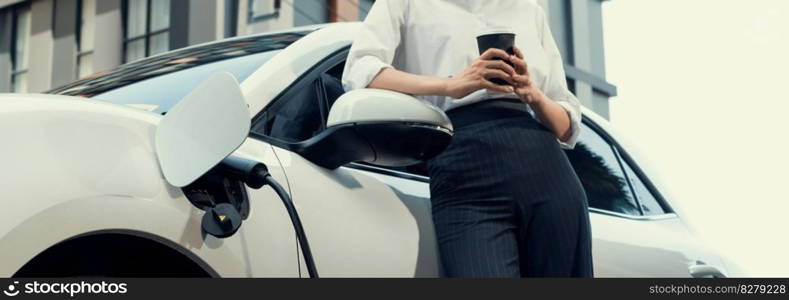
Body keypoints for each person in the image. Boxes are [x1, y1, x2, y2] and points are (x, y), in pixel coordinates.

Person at [342, 0, 593, 278]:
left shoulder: (529, 8)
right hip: (462, 167)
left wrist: (532, 93)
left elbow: (568, 127)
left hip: (546, 168)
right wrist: (452, 85)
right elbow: (359, 71)